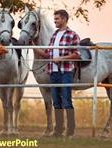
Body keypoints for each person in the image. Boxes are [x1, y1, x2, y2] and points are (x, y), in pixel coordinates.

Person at [33, 10, 80, 138]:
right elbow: (48, 54)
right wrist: (33, 46)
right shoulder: (54, 35)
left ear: (64, 19)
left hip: (66, 72)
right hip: (53, 72)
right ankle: (58, 130)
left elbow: (77, 55)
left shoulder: (72, 35)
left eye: (57, 19)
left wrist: (61, 59)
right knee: (56, 102)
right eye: (55, 19)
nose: (55, 21)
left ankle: (70, 131)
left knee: (66, 100)